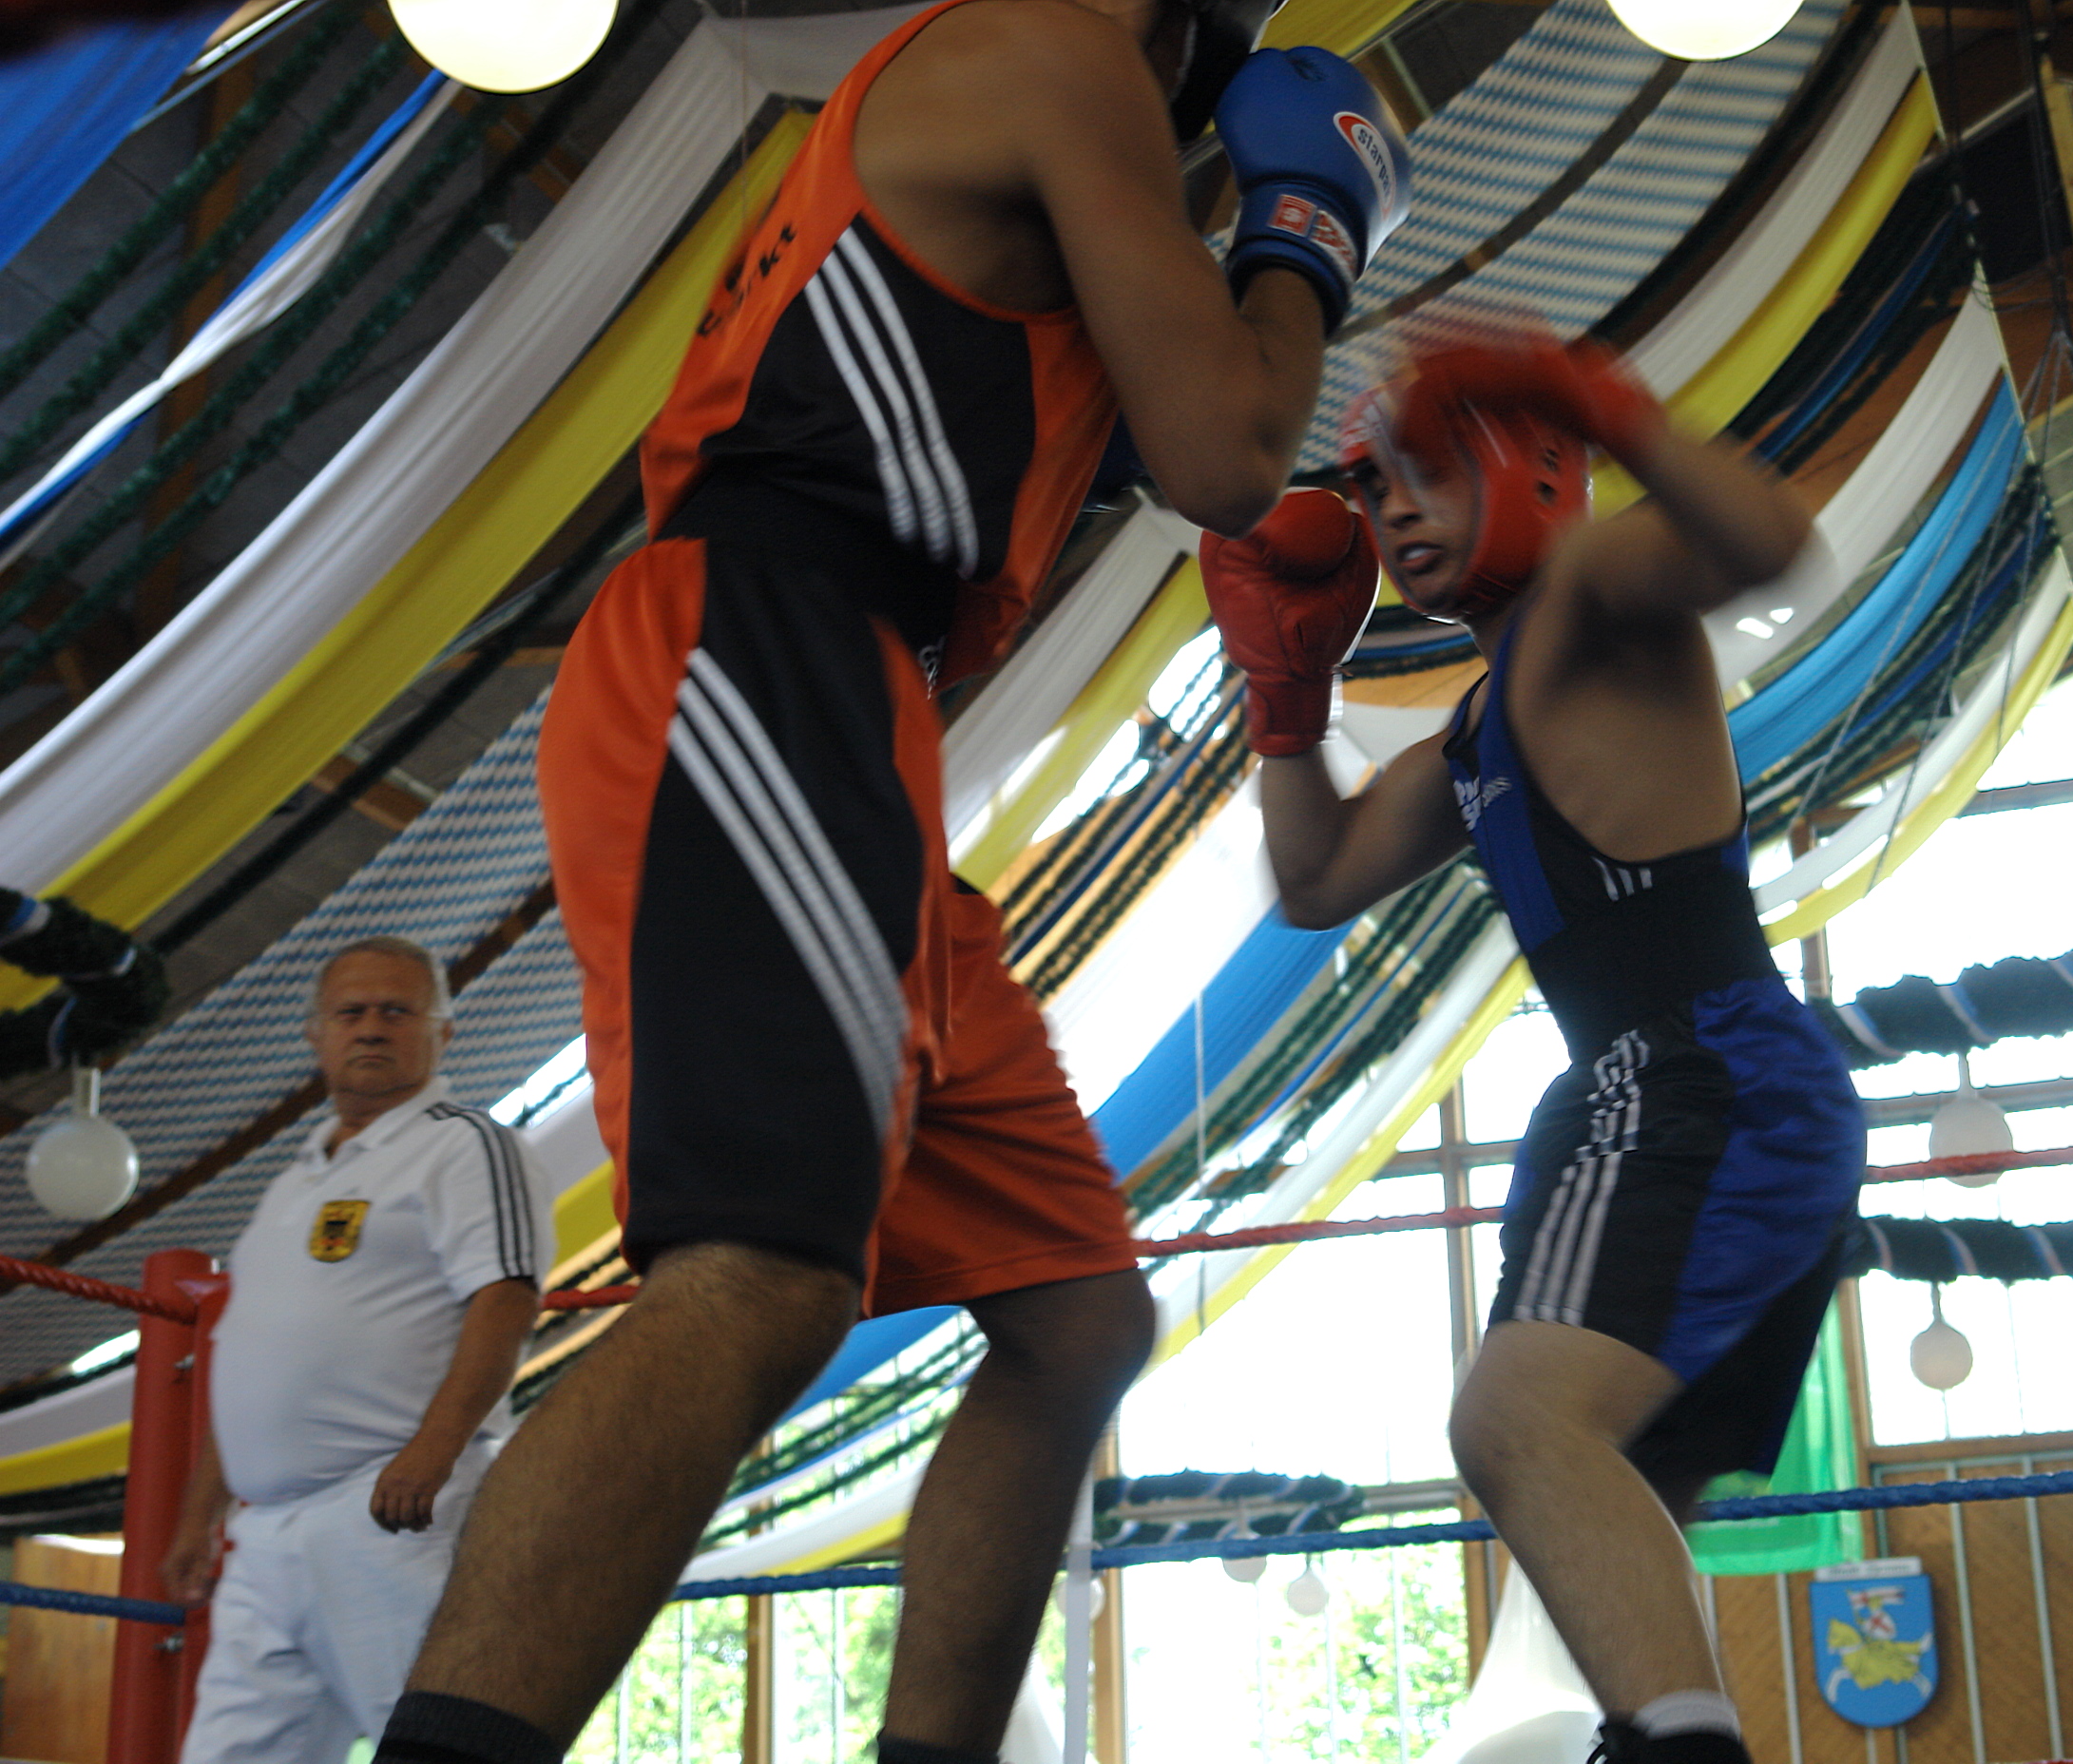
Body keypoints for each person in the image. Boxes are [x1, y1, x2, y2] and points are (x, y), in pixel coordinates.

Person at [373, 3, 1409, 1760]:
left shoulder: (1043, 95)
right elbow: (1228, 452)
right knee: (754, 1278)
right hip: (758, 653)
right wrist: (1304, 229)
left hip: (841, 706)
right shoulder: (1057, 49)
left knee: (1076, 1314)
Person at [1201, 334, 1864, 1764]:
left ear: (1530, 465)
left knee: (1515, 1424)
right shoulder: (1476, 727)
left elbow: (1771, 542)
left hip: (1705, 1075)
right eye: (1377, 497)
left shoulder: (1593, 590)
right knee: (1615, 1493)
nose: (1395, 517)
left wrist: (1598, 403)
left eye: (1430, 473)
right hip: (1665, 1090)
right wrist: (1283, 699)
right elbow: (1314, 882)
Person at [163, 936, 550, 1764]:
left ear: (444, 1034)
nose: (371, 1027)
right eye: (351, 1012)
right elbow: (247, 1366)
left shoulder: (466, 1143)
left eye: (397, 1010)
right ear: (317, 1035)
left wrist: (432, 1454)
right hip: (263, 1536)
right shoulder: (290, 1184)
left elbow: (507, 1299)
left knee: (436, 1747)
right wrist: (201, 1515)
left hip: (392, 1510)